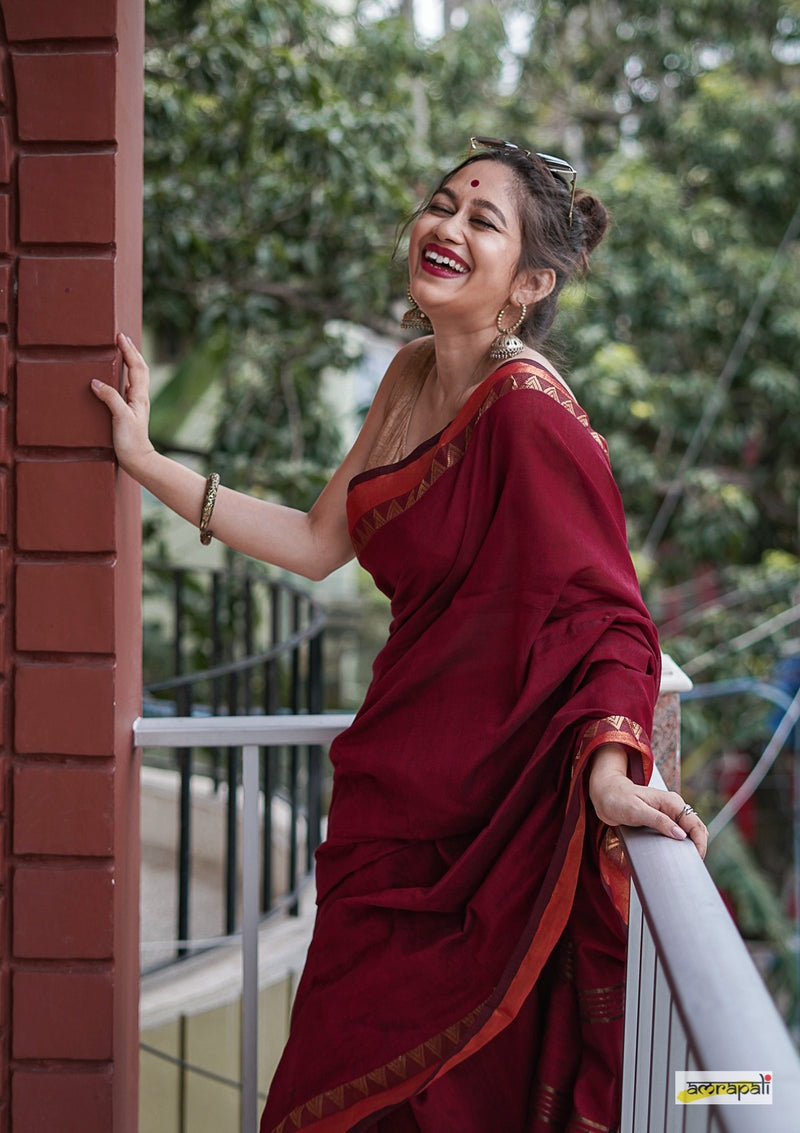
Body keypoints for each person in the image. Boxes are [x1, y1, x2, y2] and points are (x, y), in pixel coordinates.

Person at [94, 136, 707, 1133]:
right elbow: (313, 540)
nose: (446, 227)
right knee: (331, 1084)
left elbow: (606, 613)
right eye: (440, 204)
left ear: (527, 283)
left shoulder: (527, 413)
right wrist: (145, 459)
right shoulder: (409, 373)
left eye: (481, 220)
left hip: (487, 825)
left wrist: (604, 768)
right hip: (392, 801)